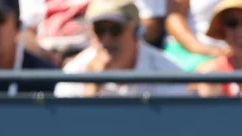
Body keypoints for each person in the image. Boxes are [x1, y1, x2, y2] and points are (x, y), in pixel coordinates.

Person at [54, 0, 187, 98]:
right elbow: (71, 130)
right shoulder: (75, 72)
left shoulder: (168, 72)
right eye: (99, 30)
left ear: (136, 33)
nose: (107, 39)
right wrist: (91, 89)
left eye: (115, 29)